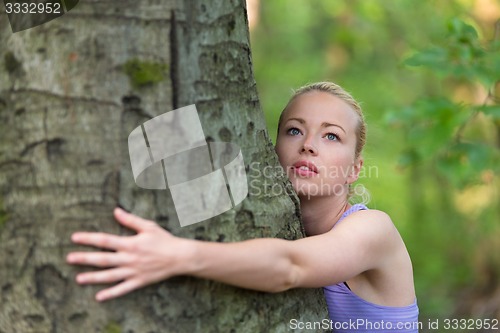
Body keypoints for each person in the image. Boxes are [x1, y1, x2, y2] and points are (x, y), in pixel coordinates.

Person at [67, 82, 419, 332]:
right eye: (295, 131)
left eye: (331, 136)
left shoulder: (374, 229)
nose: (309, 145)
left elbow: (290, 267)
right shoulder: (262, 214)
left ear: (356, 168)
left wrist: (176, 255)